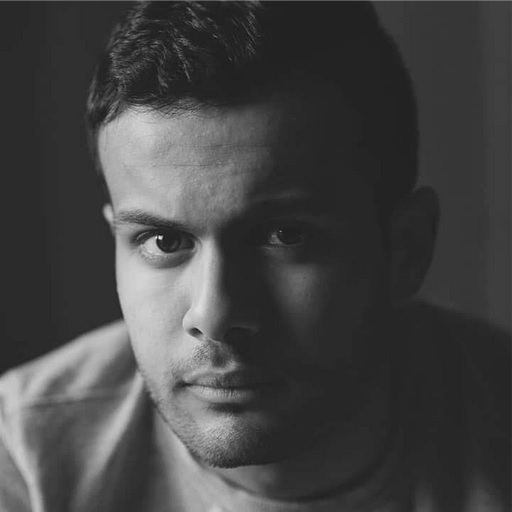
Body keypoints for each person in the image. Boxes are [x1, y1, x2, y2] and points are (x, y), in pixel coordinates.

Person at [0, 2, 509, 511]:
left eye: (285, 235)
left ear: (406, 250)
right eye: (164, 241)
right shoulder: (25, 458)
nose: (214, 315)